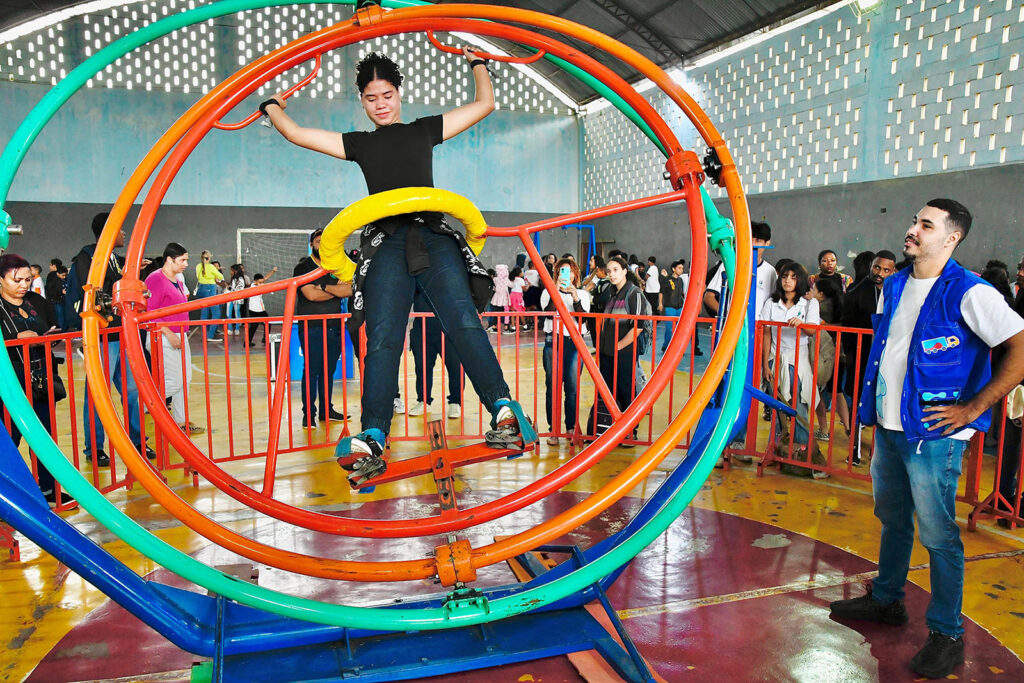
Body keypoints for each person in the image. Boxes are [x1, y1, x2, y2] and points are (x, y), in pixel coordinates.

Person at [264, 49, 534, 482]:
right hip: (385, 243)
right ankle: (373, 435)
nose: (381, 104)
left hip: (432, 235)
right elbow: (296, 134)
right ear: (363, 102)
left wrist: (476, 62)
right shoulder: (360, 143)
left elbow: (485, 105)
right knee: (383, 337)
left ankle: (503, 408)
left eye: (387, 94)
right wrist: (272, 106)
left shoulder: (424, 131)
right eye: (371, 98)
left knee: (462, 321)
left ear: (399, 94)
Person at [829, 199, 1024, 679]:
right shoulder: (892, 285)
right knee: (892, 519)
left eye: (925, 225)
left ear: (951, 238)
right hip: (891, 429)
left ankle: (946, 633)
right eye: (915, 221)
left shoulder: (971, 292)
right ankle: (888, 599)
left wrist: (973, 408)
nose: (912, 230)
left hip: (935, 438)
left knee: (939, 535)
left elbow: (1019, 350)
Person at [71, 212, 153, 465]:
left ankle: (137, 441)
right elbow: (92, 293)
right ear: (108, 230)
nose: (125, 233)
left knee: (131, 390)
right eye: (120, 229)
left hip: (122, 333)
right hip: (103, 335)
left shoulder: (117, 260)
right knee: (98, 394)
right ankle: (94, 449)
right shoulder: (88, 258)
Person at [0, 253, 75, 507]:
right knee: (10, 439)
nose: (24, 285)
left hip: (40, 377)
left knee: (45, 434)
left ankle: (48, 489)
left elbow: (52, 327)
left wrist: (48, 336)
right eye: (16, 280)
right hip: (9, 381)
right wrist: (16, 339)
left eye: (27, 280)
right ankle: (7, 498)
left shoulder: (36, 301)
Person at [759, 261, 825, 477]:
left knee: (799, 407)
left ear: (800, 280)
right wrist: (764, 364)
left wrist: (801, 324)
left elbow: (812, 331)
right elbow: (767, 333)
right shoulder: (771, 303)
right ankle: (778, 452)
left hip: (799, 361)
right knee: (777, 408)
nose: (788, 280)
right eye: (785, 276)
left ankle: (807, 456)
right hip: (776, 359)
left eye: (793, 277)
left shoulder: (809, 305)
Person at [840, 250, 897, 465]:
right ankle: (854, 450)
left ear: (892, 271)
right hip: (861, 359)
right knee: (857, 403)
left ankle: (879, 456)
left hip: (888, 360)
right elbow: (846, 328)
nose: (879, 273)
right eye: (876, 267)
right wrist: (851, 356)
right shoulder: (855, 292)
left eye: (885, 270)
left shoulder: (897, 291)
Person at [292, 229, 351, 427]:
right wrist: (336, 290)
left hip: (334, 326)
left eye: (324, 242)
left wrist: (323, 287)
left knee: (329, 370)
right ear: (311, 244)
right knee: (312, 370)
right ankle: (308, 414)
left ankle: (327, 411)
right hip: (312, 327)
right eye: (318, 242)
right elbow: (311, 295)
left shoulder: (335, 266)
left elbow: (349, 290)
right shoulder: (303, 267)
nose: (321, 245)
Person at [144, 243, 205, 436]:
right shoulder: (155, 279)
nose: (186, 264)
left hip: (179, 334)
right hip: (162, 336)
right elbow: (150, 311)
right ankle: (144, 404)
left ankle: (181, 422)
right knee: (175, 381)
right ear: (169, 260)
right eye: (182, 260)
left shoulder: (177, 279)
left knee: (185, 379)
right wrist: (169, 334)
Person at [590, 256, 645, 441]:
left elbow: (638, 327)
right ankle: (613, 429)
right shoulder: (612, 294)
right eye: (609, 271)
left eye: (615, 270)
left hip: (623, 354)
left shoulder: (634, 293)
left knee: (625, 391)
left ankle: (631, 431)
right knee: (609, 392)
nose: (611, 274)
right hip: (607, 354)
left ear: (624, 271)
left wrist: (619, 346)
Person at [541, 258, 591, 445]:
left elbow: (583, 318)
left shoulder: (583, 294)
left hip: (574, 342)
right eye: (562, 271)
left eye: (569, 271)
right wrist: (556, 291)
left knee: (572, 388)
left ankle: (571, 427)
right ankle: (553, 430)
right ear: (556, 274)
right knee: (552, 387)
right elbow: (548, 311)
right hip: (552, 340)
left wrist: (575, 297)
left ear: (575, 274)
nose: (566, 275)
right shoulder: (548, 292)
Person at [407, 292, 464, 419]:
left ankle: (455, 402)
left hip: (449, 329)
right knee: (422, 367)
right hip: (422, 328)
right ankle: (423, 401)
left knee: (455, 366)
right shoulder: (416, 276)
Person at [194, 251, 225, 341]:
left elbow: (198, 277)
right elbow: (220, 277)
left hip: (201, 289)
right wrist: (217, 270)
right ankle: (210, 335)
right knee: (216, 313)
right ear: (209, 258)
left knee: (204, 313)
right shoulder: (211, 267)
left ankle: (205, 335)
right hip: (210, 289)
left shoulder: (198, 266)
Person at [660, 260, 687, 353]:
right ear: (673, 269)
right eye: (679, 268)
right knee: (669, 328)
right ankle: (666, 346)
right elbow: (661, 292)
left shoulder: (680, 280)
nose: (681, 270)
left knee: (679, 329)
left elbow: (682, 293)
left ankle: (677, 348)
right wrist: (660, 304)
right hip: (670, 307)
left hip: (679, 307)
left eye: (682, 268)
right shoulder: (667, 280)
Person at [245, 267, 277, 346]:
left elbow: (266, 278)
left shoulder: (259, 283)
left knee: (267, 324)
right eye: (260, 282)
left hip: (259, 309)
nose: (262, 283)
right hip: (255, 310)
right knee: (254, 327)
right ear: (255, 281)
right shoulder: (254, 287)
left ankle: (264, 339)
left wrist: (272, 271)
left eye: (262, 282)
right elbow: (263, 287)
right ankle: (247, 342)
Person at [225, 264, 251, 336]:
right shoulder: (233, 278)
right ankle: (229, 328)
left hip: (237, 298)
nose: (230, 271)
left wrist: (229, 288)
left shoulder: (240, 279)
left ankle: (237, 329)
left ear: (235, 270)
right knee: (228, 313)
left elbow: (239, 288)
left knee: (237, 313)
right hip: (230, 298)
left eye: (231, 270)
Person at [45, 262, 68, 331]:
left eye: (65, 275)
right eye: (63, 275)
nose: (64, 277)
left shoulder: (65, 279)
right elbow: (50, 291)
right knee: (60, 316)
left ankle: (65, 329)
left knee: (64, 316)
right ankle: (61, 331)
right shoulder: (52, 280)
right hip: (56, 301)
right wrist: (61, 292)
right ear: (58, 273)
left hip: (63, 300)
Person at [488, 264, 511, 332]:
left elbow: (493, 288)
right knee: (506, 312)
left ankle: (494, 326)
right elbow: (511, 285)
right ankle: (506, 327)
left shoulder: (495, 279)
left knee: (496, 312)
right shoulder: (506, 280)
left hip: (497, 299)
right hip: (504, 299)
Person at [508, 266, 527, 331]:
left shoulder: (512, 279)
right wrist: (528, 286)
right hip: (518, 296)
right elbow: (525, 289)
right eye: (521, 272)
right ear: (519, 273)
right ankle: (525, 326)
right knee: (520, 311)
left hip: (512, 295)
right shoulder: (521, 280)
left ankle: (513, 327)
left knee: (513, 311)